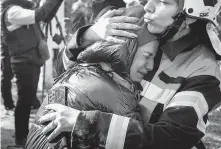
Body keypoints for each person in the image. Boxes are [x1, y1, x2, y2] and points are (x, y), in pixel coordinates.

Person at [40, 0, 221, 149]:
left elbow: (172, 137)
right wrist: (87, 36)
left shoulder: (203, 70)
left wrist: (86, 123)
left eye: (163, 1)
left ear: (190, 16)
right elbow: (62, 74)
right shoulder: (134, 25)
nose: (148, 6)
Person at [25, 9, 158, 149]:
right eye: (147, 56)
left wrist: (87, 35)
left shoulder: (82, 70)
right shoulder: (119, 97)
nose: (151, 66)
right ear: (125, 50)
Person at [1, 0, 63, 146]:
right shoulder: (12, 11)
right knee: (24, 101)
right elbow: (38, 15)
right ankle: (21, 138)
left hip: (30, 60)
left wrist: (56, 1)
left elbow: (45, 15)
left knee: (27, 101)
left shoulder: (20, 9)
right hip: (23, 62)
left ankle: (24, 136)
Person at [0, 0, 41, 113]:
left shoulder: (18, 5)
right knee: (6, 75)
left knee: (26, 82)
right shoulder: (7, 7)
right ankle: (8, 102)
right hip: (7, 45)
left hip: (20, 46)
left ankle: (32, 100)